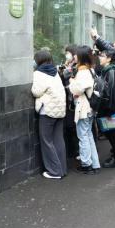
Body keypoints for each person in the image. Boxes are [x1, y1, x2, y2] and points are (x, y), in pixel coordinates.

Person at [31, 50, 68, 179]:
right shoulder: (55, 71)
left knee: (46, 141)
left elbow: (36, 92)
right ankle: (62, 169)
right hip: (60, 111)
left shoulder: (38, 73)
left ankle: (55, 172)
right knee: (58, 140)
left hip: (47, 112)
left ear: (38, 60)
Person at [68, 46, 100, 174]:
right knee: (88, 135)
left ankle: (87, 164)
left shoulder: (83, 72)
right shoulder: (91, 70)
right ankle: (94, 163)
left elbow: (76, 90)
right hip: (90, 107)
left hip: (84, 107)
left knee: (83, 136)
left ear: (80, 57)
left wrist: (71, 81)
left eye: (76, 55)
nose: (74, 57)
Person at [60, 45, 80, 159]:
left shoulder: (76, 67)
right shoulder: (68, 65)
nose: (67, 55)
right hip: (69, 100)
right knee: (70, 126)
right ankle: (73, 150)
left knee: (74, 126)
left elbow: (68, 79)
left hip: (74, 100)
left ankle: (78, 151)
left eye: (68, 53)